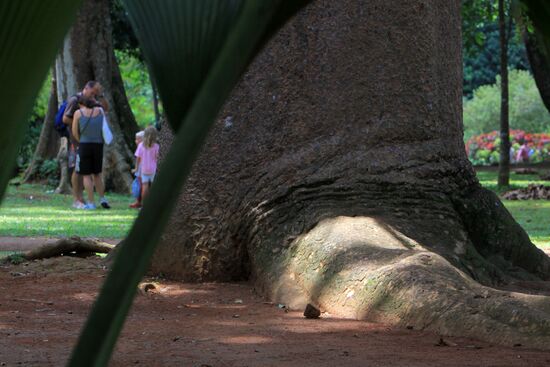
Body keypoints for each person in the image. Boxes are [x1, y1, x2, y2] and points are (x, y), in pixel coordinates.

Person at [63, 81, 109, 209]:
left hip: (86, 142)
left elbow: (106, 108)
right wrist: (80, 124)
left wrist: (101, 96)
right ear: (86, 88)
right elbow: (65, 119)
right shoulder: (74, 100)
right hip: (77, 141)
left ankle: (87, 200)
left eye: (96, 93)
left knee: (85, 172)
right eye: (92, 92)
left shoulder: (94, 102)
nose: (93, 95)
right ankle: (77, 198)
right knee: (78, 170)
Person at [71, 97, 111, 210]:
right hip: (98, 145)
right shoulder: (100, 111)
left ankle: (91, 202)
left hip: (84, 145)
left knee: (86, 175)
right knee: (97, 174)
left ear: (81, 104)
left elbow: (74, 131)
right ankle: (102, 198)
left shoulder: (78, 113)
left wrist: (81, 140)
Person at [135, 126, 159, 205]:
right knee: (151, 185)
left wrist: (136, 168)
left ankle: (144, 204)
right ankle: (152, 203)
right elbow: (157, 157)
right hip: (152, 169)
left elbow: (138, 158)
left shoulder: (141, 145)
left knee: (144, 186)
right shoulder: (156, 146)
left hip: (144, 168)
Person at [129, 131, 145, 209]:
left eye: (138, 139)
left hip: (141, 170)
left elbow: (138, 159)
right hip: (144, 170)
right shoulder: (145, 147)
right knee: (140, 186)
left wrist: (136, 169)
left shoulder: (141, 147)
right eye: (136, 139)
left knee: (141, 186)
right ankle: (138, 202)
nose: (136, 141)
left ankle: (140, 202)